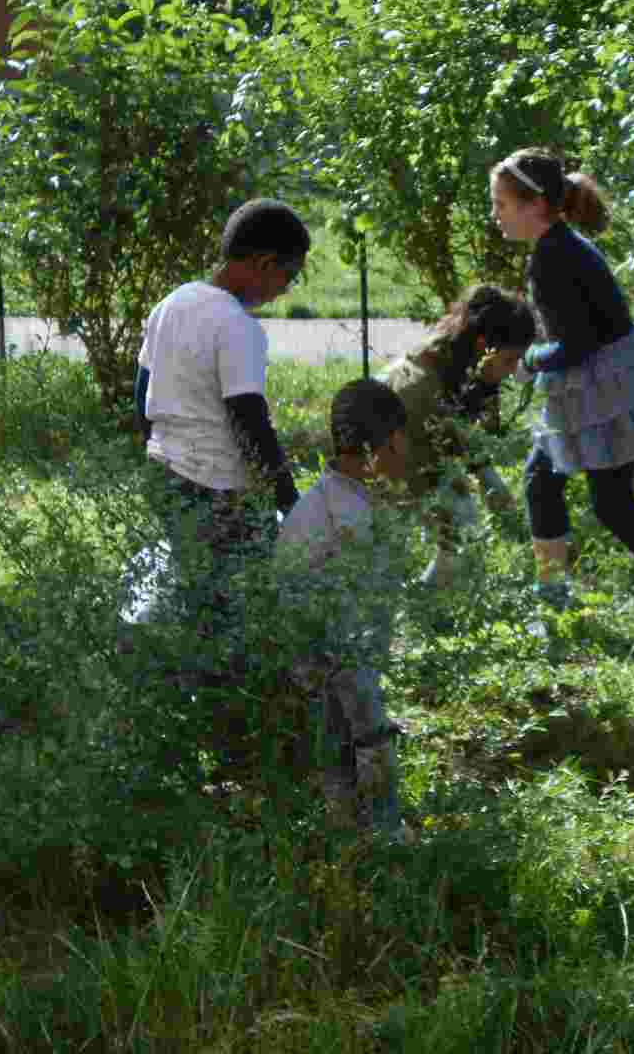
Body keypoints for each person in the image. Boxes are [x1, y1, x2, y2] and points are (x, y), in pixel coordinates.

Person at [490, 147, 634, 644]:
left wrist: (528, 362)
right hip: (600, 376)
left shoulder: (553, 257)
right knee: (543, 482)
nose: (495, 215)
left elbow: (578, 343)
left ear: (534, 205)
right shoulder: (557, 245)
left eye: (501, 204)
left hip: (603, 383)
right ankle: (554, 605)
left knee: (612, 505)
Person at [134, 199, 309, 632]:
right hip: (217, 490)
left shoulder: (173, 303)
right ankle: (225, 684)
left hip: (164, 472)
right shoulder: (238, 327)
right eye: (289, 276)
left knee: (196, 588)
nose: (285, 289)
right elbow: (249, 420)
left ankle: (175, 667)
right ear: (265, 264)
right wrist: (289, 501)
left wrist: (159, 449)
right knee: (244, 600)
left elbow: (142, 391)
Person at [276, 378, 412, 833]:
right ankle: (387, 830)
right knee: (369, 731)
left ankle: (345, 827)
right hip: (333, 644)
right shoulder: (348, 511)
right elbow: (359, 595)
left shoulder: (332, 495)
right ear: (383, 446)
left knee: (333, 735)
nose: (406, 451)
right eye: (401, 441)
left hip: (310, 642)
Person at [383, 285, 536, 588]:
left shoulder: (458, 363)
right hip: (393, 452)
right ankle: (425, 599)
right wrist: (485, 480)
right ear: (483, 346)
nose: (513, 371)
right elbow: (441, 452)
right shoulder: (426, 385)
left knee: (457, 518)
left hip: (413, 445)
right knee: (460, 521)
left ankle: (427, 592)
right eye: (510, 360)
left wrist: (487, 478)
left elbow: (464, 437)